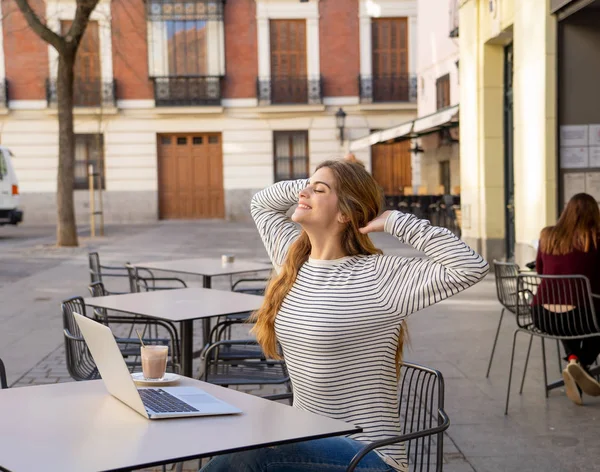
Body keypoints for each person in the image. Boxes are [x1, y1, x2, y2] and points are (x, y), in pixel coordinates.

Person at [201, 159, 488, 472]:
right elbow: (262, 202)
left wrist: (395, 221)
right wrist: (314, 186)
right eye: (305, 187)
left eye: (319, 189)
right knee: (246, 446)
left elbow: (470, 266)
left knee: (251, 455)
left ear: (345, 213)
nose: (304, 193)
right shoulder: (292, 260)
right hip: (306, 441)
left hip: (368, 456)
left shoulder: (379, 276)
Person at [533, 192, 600, 405]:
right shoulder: (596, 237)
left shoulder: (547, 235)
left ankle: (573, 358)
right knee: (590, 318)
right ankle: (582, 366)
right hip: (581, 317)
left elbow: (540, 270)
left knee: (565, 310)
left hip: (542, 316)